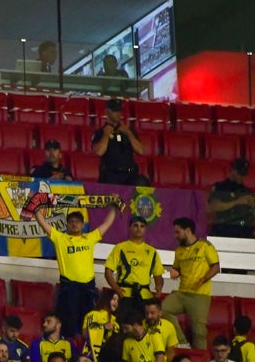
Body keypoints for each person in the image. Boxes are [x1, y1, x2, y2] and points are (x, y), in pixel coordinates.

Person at [34, 201, 119, 339]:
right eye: (71, 221)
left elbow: (107, 224)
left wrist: (114, 206)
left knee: (89, 323)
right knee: (68, 325)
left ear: (82, 224)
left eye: (77, 221)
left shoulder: (89, 238)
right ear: (67, 225)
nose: (74, 224)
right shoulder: (60, 238)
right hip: (69, 287)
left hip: (88, 287)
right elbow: (42, 222)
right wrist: (35, 204)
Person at [161, 217, 220, 351]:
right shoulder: (179, 250)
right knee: (162, 309)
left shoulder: (205, 246)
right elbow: (177, 269)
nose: (175, 236)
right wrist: (175, 272)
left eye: (177, 232)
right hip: (182, 293)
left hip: (199, 295)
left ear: (187, 231)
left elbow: (216, 267)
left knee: (198, 333)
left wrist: (204, 279)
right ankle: (182, 343)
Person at [103, 216, 164, 302]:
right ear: (130, 228)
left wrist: (159, 287)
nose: (139, 228)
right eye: (135, 225)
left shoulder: (152, 251)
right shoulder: (120, 248)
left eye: (142, 226)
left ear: (145, 229)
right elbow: (108, 271)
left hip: (145, 296)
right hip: (124, 294)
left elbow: (158, 275)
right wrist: (116, 288)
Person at [91, 98, 147, 186]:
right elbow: (99, 152)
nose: (118, 114)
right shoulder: (100, 132)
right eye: (114, 111)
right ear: (107, 112)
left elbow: (141, 150)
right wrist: (106, 135)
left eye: (119, 110)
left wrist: (129, 133)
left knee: (142, 182)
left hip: (129, 174)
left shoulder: (128, 131)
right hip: (110, 174)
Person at [207, 158, 255, 239]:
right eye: (239, 173)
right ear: (232, 170)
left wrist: (253, 206)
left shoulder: (247, 191)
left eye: (244, 174)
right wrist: (237, 202)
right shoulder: (221, 187)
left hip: (244, 231)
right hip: (224, 229)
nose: (241, 177)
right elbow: (213, 207)